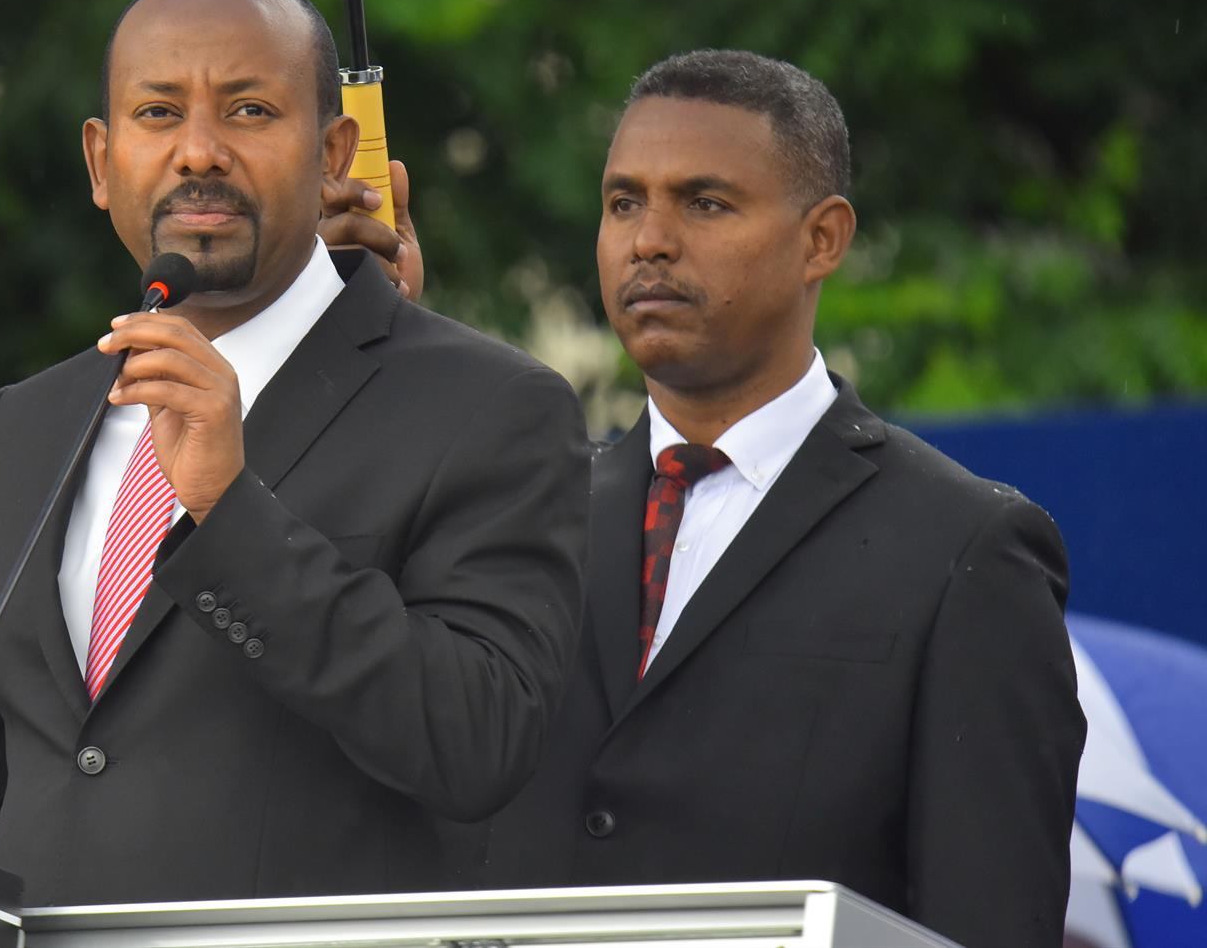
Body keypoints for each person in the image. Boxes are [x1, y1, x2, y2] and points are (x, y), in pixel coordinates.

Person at [0, 0, 589, 905]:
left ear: (333, 154)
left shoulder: (489, 407)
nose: (199, 152)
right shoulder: (27, 423)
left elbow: (480, 744)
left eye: (250, 111)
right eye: (158, 113)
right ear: (101, 163)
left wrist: (230, 513)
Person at [457, 50, 1084, 948]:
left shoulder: (966, 549)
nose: (649, 241)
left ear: (822, 239)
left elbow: (989, 918)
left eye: (704, 203)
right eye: (624, 202)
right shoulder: (521, 518)